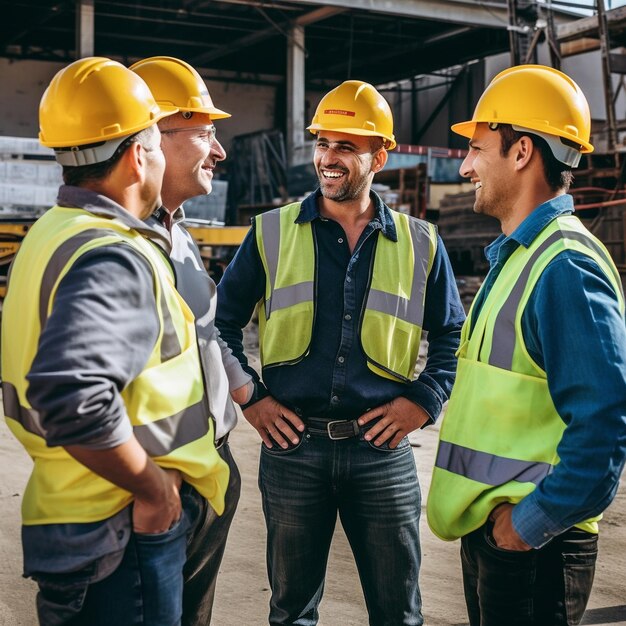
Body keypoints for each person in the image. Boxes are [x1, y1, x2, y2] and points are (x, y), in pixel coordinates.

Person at [216, 79, 465, 626]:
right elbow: (219, 325)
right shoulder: (270, 232)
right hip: (293, 451)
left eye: (346, 146)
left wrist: (424, 400)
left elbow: (453, 336)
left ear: (379, 155)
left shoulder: (422, 243)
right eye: (323, 143)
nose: (329, 158)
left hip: (382, 451)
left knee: (398, 612)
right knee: (291, 611)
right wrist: (251, 398)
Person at [1, 57, 229, 626]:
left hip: (73, 512)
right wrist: (154, 490)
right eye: (156, 139)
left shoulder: (52, 234)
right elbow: (71, 396)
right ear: (136, 155)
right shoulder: (113, 253)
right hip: (118, 529)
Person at [427, 64, 626, 626]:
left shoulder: (564, 266)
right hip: (499, 538)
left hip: (535, 548)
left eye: (476, 148)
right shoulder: (519, 256)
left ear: (521, 153)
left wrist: (530, 524)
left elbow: (606, 423)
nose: (465, 165)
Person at [130, 56, 253, 626]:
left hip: (204, 472)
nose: (219, 150)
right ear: (152, 136)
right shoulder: (122, 246)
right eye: (205, 133)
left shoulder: (176, 234)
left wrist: (246, 391)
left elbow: (203, 333)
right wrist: (154, 488)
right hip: (160, 484)